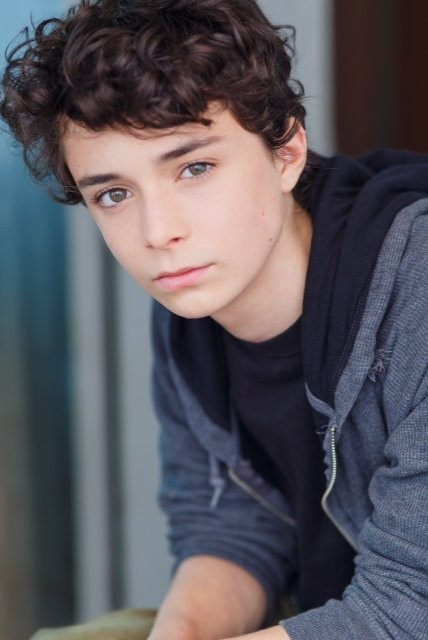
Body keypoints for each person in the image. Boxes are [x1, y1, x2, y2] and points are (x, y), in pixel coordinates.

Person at [1, 1, 427, 639]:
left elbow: (410, 607)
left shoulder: (414, 289)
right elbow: (228, 524)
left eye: (194, 168)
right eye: (114, 194)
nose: (159, 232)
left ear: (286, 152)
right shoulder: (191, 305)